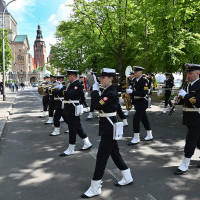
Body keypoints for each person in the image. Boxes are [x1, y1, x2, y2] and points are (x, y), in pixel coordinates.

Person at [81, 68, 133, 198]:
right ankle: (127, 176)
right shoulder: (109, 90)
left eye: (103, 77)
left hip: (109, 127)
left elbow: (95, 106)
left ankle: (95, 186)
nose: (100, 79)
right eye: (100, 77)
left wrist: (94, 92)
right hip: (108, 125)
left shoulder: (110, 92)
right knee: (114, 153)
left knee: (102, 156)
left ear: (110, 78)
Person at [174, 64, 200, 175]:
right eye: (187, 73)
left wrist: (186, 96)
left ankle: (185, 164)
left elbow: (198, 102)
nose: (188, 75)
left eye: (190, 73)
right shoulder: (187, 85)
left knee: (190, 141)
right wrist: (178, 99)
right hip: (189, 118)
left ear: (198, 73)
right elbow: (185, 101)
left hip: (197, 118)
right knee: (198, 140)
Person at [60, 70, 92, 156]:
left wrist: (62, 90)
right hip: (69, 108)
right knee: (77, 127)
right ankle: (87, 142)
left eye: (68, 76)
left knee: (72, 128)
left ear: (73, 76)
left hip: (73, 108)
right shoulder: (71, 84)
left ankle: (71, 148)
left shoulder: (77, 84)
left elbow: (69, 95)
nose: (67, 78)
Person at [126, 66, 153, 145]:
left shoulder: (145, 81)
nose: (134, 73)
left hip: (142, 102)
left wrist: (132, 92)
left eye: (135, 72)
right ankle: (149, 134)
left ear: (140, 73)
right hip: (137, 102)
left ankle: (136, 137)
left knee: (136, 119)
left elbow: (143, 93)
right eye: (134, 72)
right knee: (144, 119)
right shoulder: (134, 80)